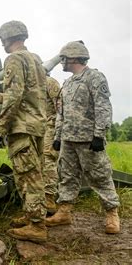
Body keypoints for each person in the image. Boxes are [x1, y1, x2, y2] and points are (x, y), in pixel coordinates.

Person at [0, 20, 48, 242]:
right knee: (32, 174)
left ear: (7, 38)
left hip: (21, 127)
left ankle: (37, 226)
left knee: (28, 176)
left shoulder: (13, 59)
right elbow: (22, 94)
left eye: (2, 39)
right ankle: (31, 215)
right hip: (36, 125)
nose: (1, 44)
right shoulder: (35, 59)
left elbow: (14, 98)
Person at [46, 41, 120, 234]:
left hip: (88, 140)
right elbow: (61, 112)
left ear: (73, 57)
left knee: (100, 176)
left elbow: (103, 107)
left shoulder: (94, 77)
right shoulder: (68, 83)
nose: (61, 62)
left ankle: (112, 214)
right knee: (67, 177)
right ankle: (64, 212)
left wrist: (99, 135)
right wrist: (58, 136)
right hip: (68, 140)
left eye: (63, 59)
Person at [43, 74, 61, 213]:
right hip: (39, 128)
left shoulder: (50, 82)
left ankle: (49, 198)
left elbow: (60, 108)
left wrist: (58, 134)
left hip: (51, 126)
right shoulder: (32, 85)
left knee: (48, 159)